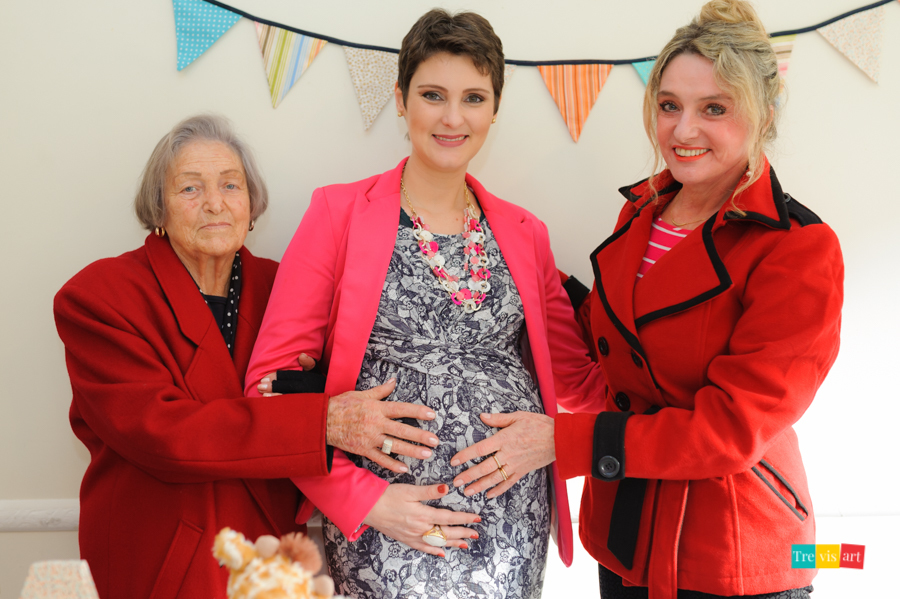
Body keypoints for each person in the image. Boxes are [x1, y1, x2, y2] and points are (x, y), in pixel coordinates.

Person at [453, 1, 843, 597]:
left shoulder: (798, 249)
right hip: (624, 535)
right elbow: (611, 339)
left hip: (730, 551)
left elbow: (730, 429)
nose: (683, 131)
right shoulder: (642, 213)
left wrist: (562, 442)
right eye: (669, 106)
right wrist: (516, 265)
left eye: (714, 108)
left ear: (764, 113)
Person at [245, 9, 605, 599]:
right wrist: (367, 501)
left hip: (512, 528)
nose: (453, 117)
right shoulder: (337, 214)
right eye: (433, 95)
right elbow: (267, 389)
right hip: (388, 525)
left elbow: (579, 380)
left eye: (474, 98)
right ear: (401, 99)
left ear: (495, 109)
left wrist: (663, 383)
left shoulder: (525, 233)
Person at [54, 115, 445, 599]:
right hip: (163, 560)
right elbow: (163, 434)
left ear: (251, 204)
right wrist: (316, 421)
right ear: (159, 208)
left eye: (230, 185)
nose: (214, 203)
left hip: (267, 559)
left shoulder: (286, 286)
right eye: (190, 188)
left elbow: (351, 383)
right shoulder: (100, 297)